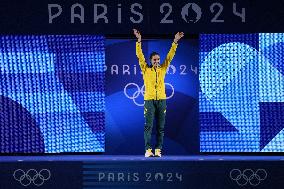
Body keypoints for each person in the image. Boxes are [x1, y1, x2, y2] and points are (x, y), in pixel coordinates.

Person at [133, 29, 184, 157]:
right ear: (150, 61)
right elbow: (140, 56)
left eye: (158, 60)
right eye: (154, 60)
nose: (156, 61)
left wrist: (175, 41)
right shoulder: (145, 69)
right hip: (149, 100)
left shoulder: (163, 68)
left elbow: (170, 56)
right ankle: (148, 150)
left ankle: (158, 149)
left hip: (162, 100)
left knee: (161, 127)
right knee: (148, 126)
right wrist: (139, 40)